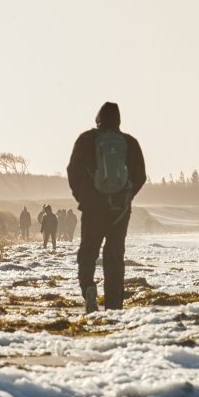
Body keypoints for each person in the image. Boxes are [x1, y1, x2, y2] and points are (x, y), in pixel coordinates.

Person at [67, 101, 146, 312]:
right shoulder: (129, 143)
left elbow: (73, 171)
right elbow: (140, 176)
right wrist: (126, 197)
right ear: (119, 120)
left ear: (98, 118)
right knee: (114, 256)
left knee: (88, 252)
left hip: (93, 208)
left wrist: (83, 198)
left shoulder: (86, 140)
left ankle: (89, 289)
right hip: (119, 211)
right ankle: (113, 306)